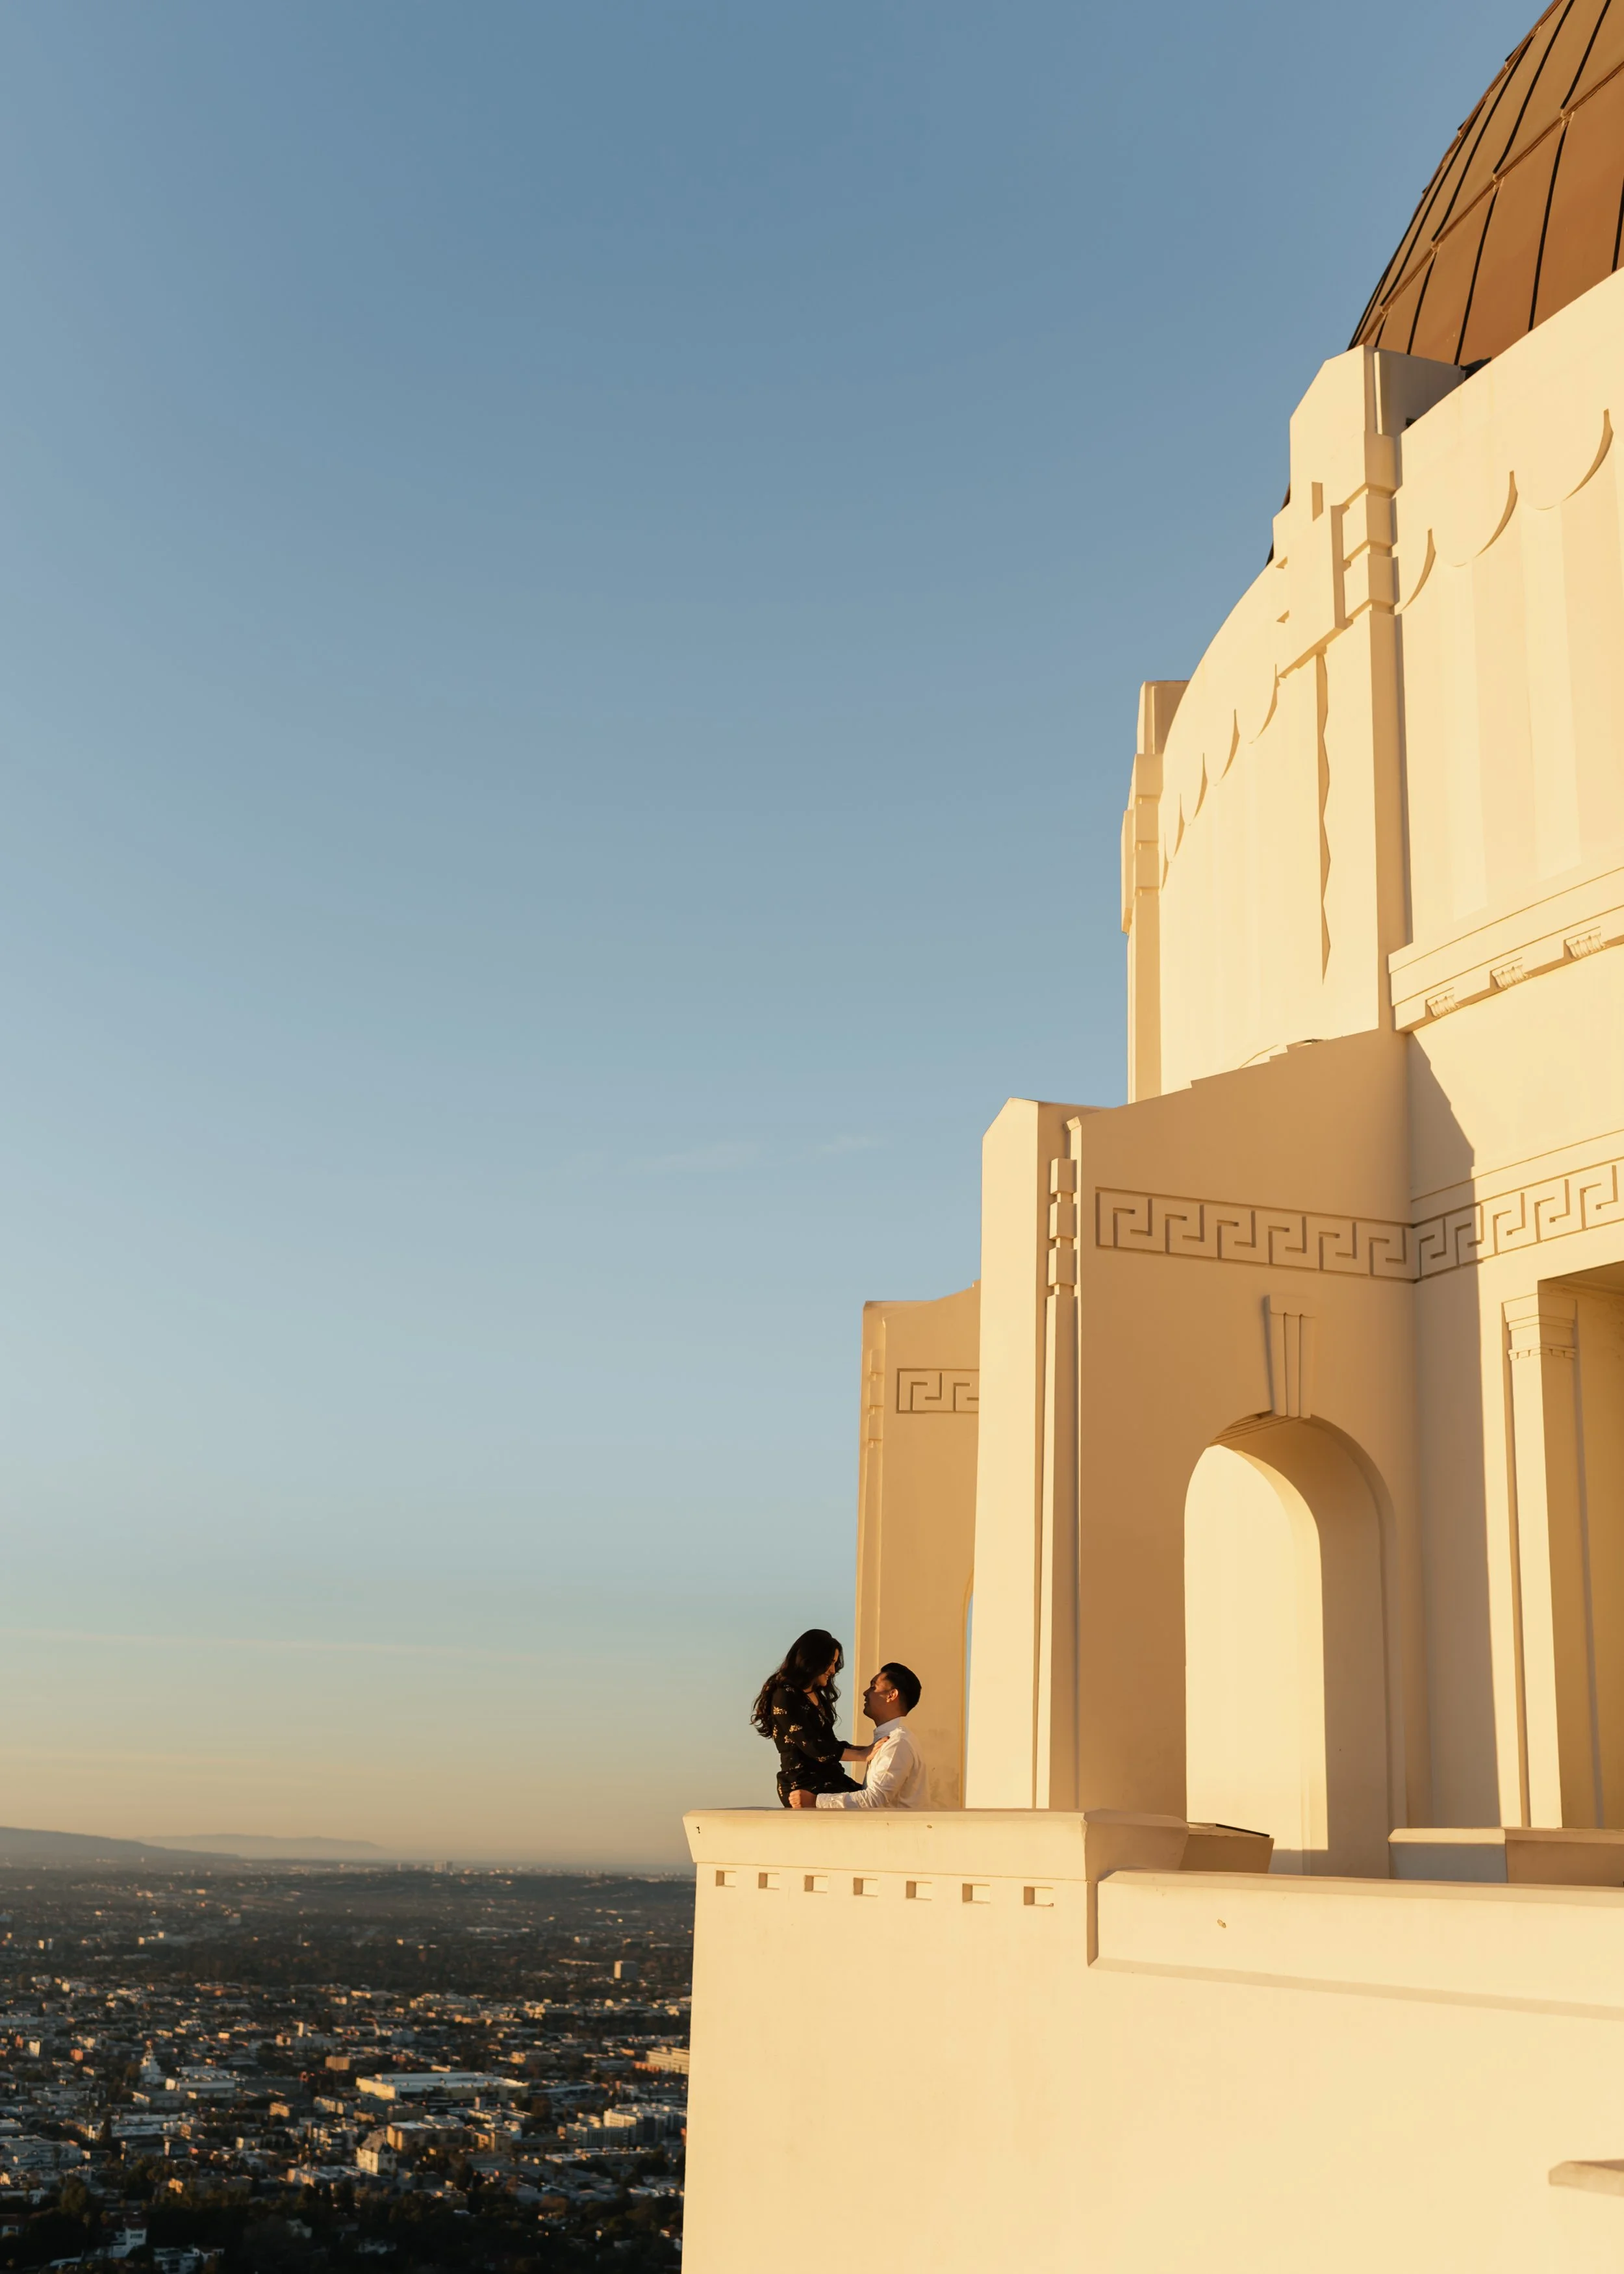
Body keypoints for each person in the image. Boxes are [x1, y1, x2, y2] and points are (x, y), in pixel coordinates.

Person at [750, 1628, 872, 1808]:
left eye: (835, 1664)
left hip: (830, 1777)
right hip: (803, 1785)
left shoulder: (816, 1696)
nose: (833, 1670)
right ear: (813, 1661)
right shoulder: (785, 1696)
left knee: (876, 1802)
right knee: (867, 1805)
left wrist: (870, 1749)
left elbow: (830, 1743)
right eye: (830, 1663)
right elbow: (814, 1747)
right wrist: (864, 1755)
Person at [789, 1662, 926, 1810]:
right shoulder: (892, 1739)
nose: (866, 1692)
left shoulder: (897, 1743)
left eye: (874, 1687)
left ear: (891, 1695)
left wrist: (816, 1802)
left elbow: (875, 1799)